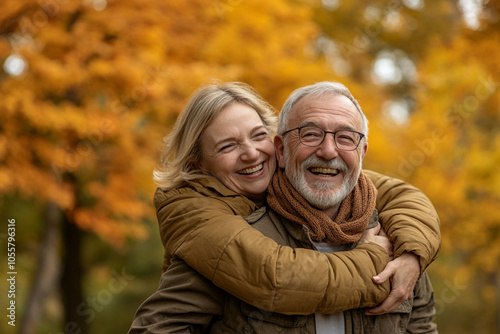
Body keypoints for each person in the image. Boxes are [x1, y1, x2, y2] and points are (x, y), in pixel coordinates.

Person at [128, 82, 440, 332]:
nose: (329, 151)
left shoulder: (395, 237)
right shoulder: (221, 243)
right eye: (310, 134)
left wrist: (412, 253)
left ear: (362, 152)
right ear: (283, 148)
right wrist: (373, 260)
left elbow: (421, 327)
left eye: (346, 138)